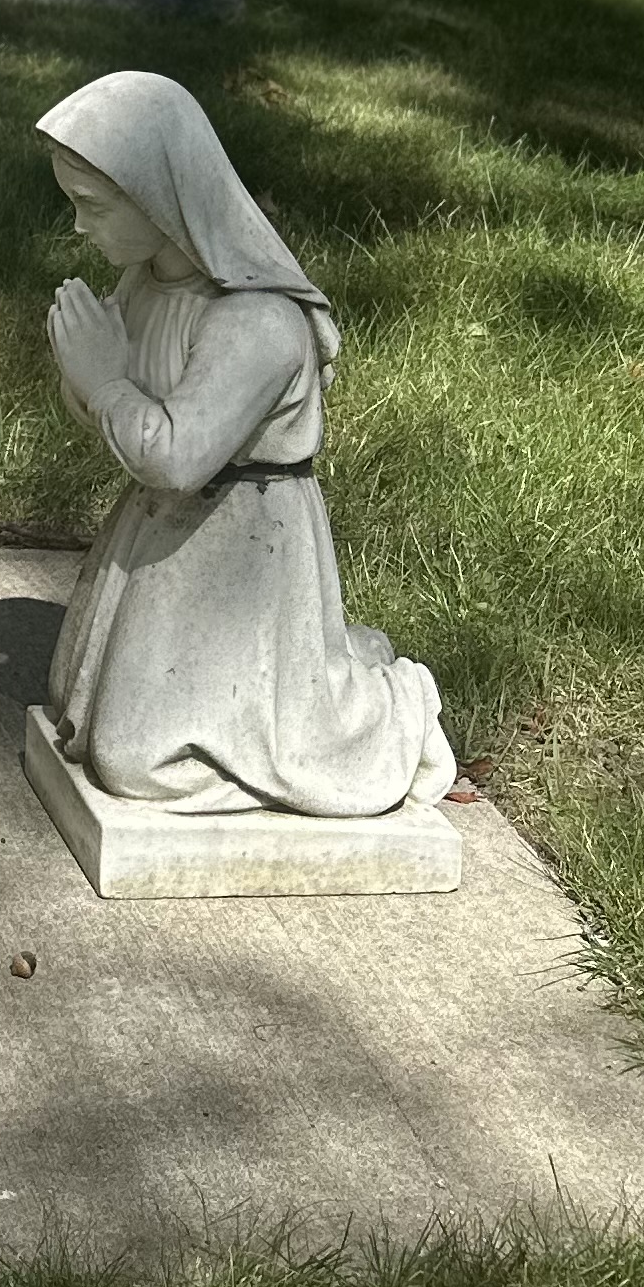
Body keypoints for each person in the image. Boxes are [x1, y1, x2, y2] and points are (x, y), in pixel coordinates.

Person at [40, 69, 455, 816]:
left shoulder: (257, 322)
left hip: (242, 542)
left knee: (139, 761)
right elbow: (127, 423)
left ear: (160, 195)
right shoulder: (145, 283)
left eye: (92, 205)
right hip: (161, 532)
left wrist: (102, 382)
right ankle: (313, 668)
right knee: (85, 713)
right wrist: (88, 375)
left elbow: (175, 456)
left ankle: (388, 706)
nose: (79, 226)